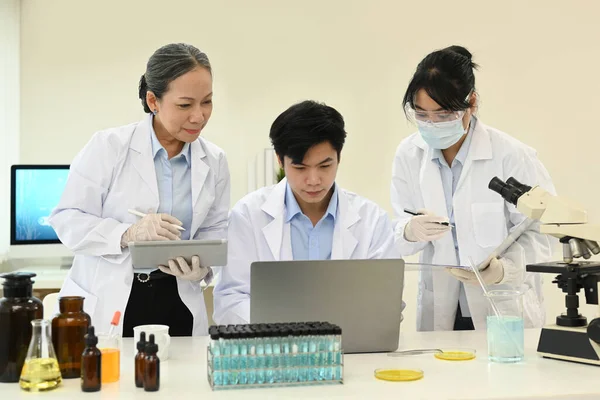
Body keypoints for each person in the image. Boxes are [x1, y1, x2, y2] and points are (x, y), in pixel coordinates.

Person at [49, 43, 230, 337]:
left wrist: (203, 269)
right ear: (153, 100)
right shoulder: (108, 147)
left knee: (185, 381)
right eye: (185, 105)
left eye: (207, 101)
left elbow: (216, 227)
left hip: (179, 299)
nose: (199, 116)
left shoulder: (214, 160)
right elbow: (67, 218)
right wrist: (127, 234)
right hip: (115, 299)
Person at [391, 45, 556, 331]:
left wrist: (506, 270)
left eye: (444, 115)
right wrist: (408, 230)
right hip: (441, 306)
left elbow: (544, 232)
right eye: (422, 114)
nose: (432, 124)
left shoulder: (511, 155)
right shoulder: (409, 155)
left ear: (472, 102)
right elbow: (399, 228)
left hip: (502, 302)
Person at [213, 100, 400, 324]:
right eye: (300, 168)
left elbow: (386, 302)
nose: (313, 180)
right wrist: (279, 331)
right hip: (273, 350)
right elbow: (230, 299)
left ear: (339, 158)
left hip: (350, 350)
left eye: (324, 166)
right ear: (280, 160)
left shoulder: (372, 221)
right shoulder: (248, 216)